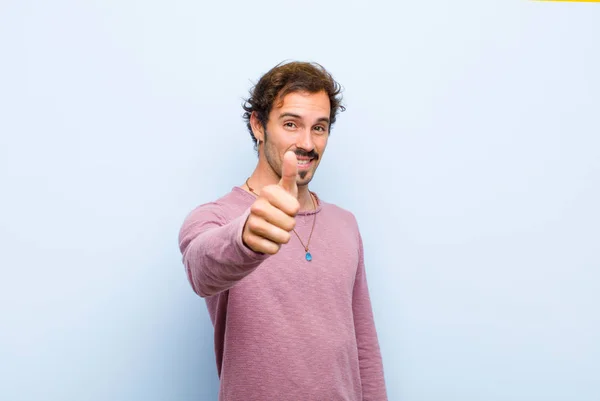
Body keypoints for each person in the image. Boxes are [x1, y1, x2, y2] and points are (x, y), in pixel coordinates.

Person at [178, 61, 387, 400]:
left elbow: (364, 348)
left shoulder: (345, 224)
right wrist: (246, 237)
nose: (306, 143)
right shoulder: (214, 218)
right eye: (291, 124)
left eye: (319, 128)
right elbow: (202, 269)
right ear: (258, 125)